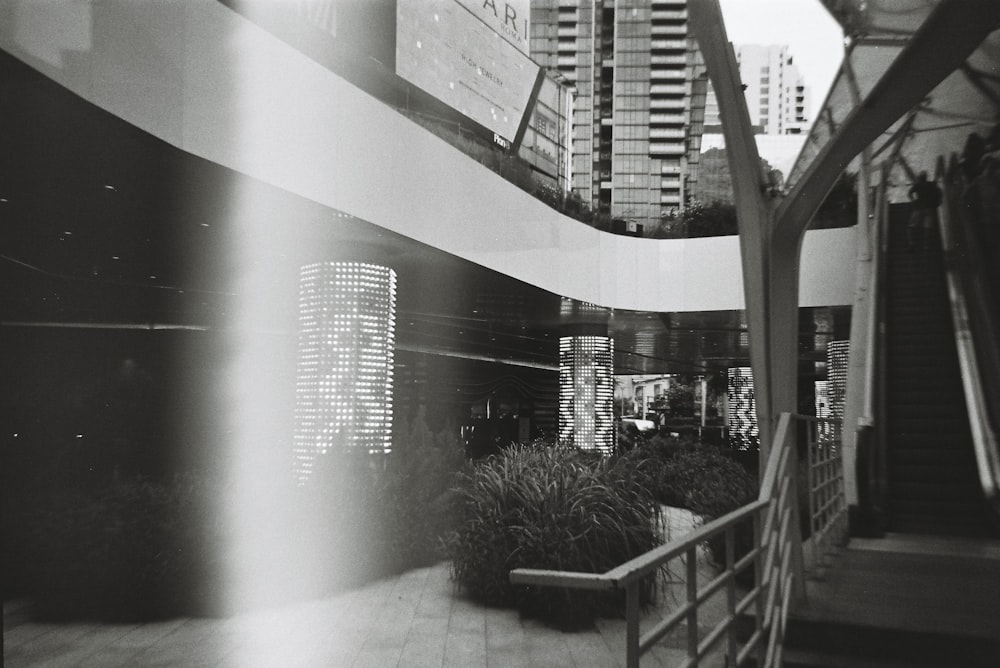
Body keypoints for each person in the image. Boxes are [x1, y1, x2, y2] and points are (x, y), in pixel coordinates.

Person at [907, 171, 942, 250]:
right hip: (930, 208)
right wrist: (939, 201)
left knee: (911, 226)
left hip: (919, 208)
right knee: (927, 227)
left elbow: (909, 193)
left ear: (920, 178)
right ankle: (926, 245)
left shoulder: (917, 185)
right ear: (926, 177)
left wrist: (913, 201)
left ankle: (912, 243)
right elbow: (940, 192)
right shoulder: (931, 184)